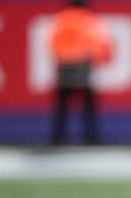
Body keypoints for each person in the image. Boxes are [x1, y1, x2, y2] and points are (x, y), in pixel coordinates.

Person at [47, 0, 111, 145]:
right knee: (88, 106)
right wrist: (95, 60)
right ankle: (90, 138)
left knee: (62, 106)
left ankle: (57, 139)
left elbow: (51, 42)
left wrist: (62, 58)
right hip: (84, 65)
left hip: (65, 66)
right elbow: (101, 43)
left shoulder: (61, 19)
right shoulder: (90, 20)